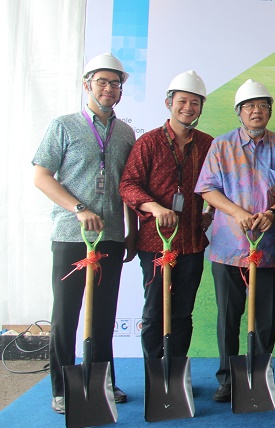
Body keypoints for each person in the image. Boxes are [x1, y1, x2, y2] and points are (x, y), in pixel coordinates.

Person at [33, 53, 136, 414]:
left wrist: (132, 231)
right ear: (87, 84)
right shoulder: (63, 126)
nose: (109, 89)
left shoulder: (125, 132)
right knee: (67, 314)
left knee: (104, 313)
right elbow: (41, 176)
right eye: (102, 82)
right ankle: (62, 389)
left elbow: (129, 185)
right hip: (71, 236)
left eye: (116, 83)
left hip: (110, 235)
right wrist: (78, 209)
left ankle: (101, 380)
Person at [195, 79, 275, 402]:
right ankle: (227, 379)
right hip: (228, 248)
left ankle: (260, 374)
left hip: (269, 247)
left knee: (264, 317)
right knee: (228, 316)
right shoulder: (221, 146)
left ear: (269, 111)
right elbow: (208, 188)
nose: (256, 111)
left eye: (262, 106)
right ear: (239, 112)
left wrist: (274, 213)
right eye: (249, 106)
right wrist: (236, 212)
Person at [119, 70, 214, 362]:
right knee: (155, 310)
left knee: (183, 311)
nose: (188, 107)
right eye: (182, 101)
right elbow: (128, 185)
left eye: (195, 102)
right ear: (168, 103)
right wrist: (155, 207)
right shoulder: (148, 143)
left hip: (192, 242)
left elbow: (217, 184)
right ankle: (154, 370)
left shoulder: (208, 144)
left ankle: (175, 371)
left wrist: (210, 210)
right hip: (155, 243)